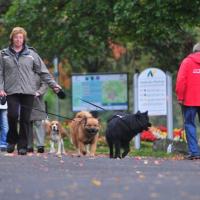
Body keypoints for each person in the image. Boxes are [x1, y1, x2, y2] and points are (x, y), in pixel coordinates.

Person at [0, 27, 62, 155]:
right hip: (11, 91)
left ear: (24, 39)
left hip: (28, 91)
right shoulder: (4, 54)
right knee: (12, 115)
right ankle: (12, 140)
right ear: (12, 38)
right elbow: (0, 73)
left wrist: (54, 85)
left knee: (25, 119)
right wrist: (1, 88)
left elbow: (43, 72)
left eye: (21, 37)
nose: (18, 40)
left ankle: (23, 146)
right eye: (16, 37)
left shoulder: (32, 55)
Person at [176, 42, 200, 160]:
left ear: (194, 50)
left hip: (190, 100)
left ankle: (195, 152)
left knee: (190, 124)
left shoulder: (187, 62)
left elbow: (181, 81)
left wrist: (180, 97)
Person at [27, 76, 48, 154]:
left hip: (38, 102)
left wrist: (39, 92)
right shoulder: (23, 71)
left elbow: (45, 84)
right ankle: (29, 146)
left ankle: (40, 145)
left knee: (38, 123)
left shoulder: (40, 72)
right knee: (27, 124)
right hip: (25, 101)